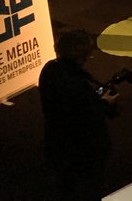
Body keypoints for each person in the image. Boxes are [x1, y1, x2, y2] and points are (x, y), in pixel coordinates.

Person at [38, 29, 118, 200]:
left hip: (57, 143)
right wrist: (104, 103)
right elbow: (85, 115)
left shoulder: (49, 70)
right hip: (83, 147)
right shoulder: (76, 83)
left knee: (65, 186)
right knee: (87, 187)